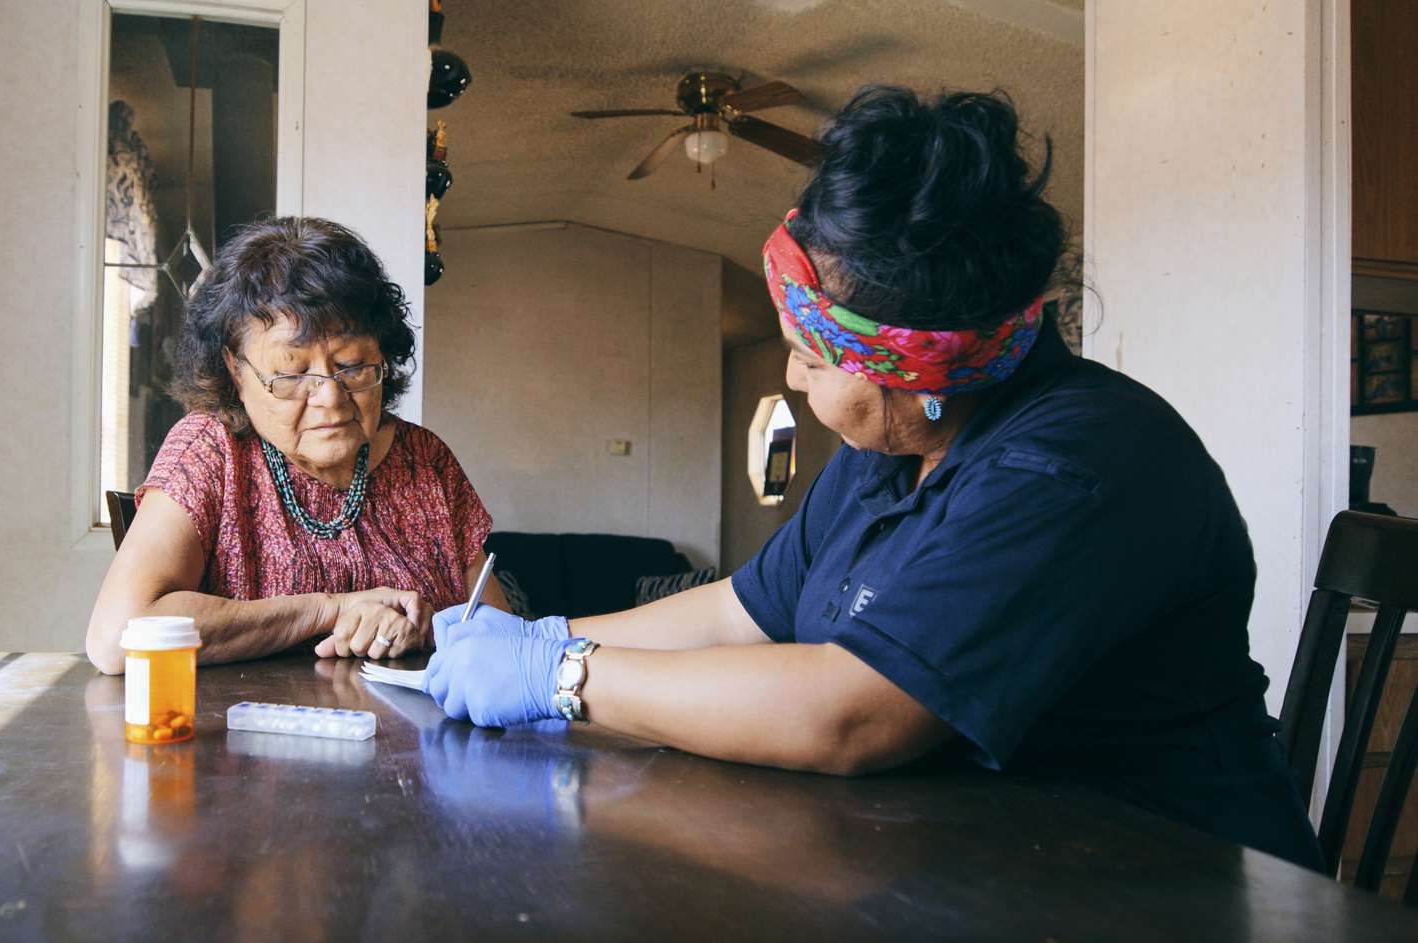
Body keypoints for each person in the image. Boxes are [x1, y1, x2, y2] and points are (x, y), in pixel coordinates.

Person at [420, 88, 1323, 869]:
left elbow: (849, 713)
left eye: (814, 356)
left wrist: (563, 675)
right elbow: (741, 611)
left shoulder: (1077, 465)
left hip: (1162, 900)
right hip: (976, 865)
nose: (791, 376)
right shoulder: (886, 451)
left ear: (922, 373)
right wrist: (538, 632)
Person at [86, 217, 506, 675]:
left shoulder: (425, 461)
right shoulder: (211, 451)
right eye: (290, 374)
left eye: (352, 365)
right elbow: (118, 637)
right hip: (247, 738)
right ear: (235, 368)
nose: (330, 397)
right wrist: (327, 611)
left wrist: (429, 628)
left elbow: (505, 636)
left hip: (413, 740)